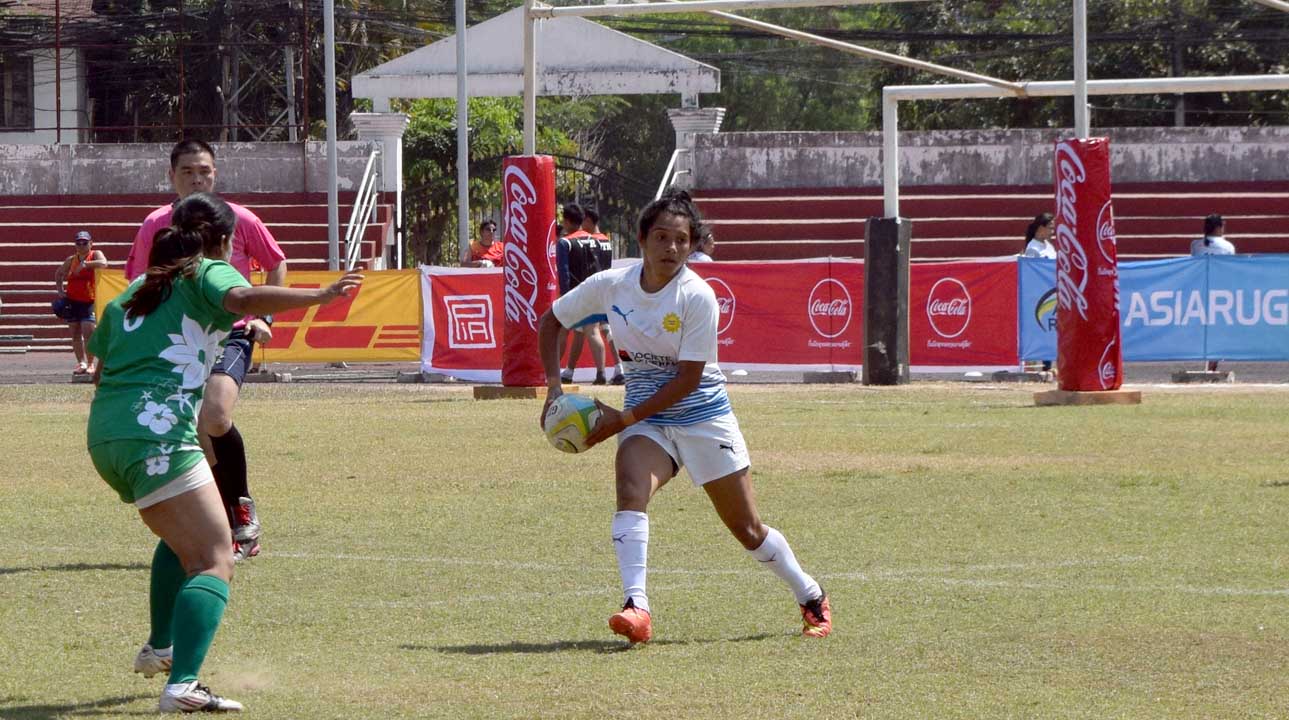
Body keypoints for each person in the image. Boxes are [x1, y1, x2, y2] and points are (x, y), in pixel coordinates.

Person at [87, 192, 362, 713]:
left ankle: (160, 648)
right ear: (225, 240)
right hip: (158, 432)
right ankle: (183, 684)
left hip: (109, 433)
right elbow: (240, 300)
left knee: (184, 536)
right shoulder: (207, 271)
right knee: (216, 558)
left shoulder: (137, 290)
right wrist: (319, 296)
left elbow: (101, 366)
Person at [537, 190, 832, 645]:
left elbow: (688, 380)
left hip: (702, 418)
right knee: (630, 488)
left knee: (748, 531)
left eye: (681, 240)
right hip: (648, 423)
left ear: (691, 245)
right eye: (661, 237)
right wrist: (555, 391)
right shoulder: (612, 285)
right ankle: (637, 607)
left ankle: (810, 594)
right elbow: (550, 321)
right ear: (641, 239)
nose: (671, 248)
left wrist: (622, 418)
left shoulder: (698, 296)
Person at [126, 139, 287, 562]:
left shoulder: (239, 218)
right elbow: (139, 282)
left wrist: (263, 318)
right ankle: (221, 522)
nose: (197, 179)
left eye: (205, 171)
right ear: (171, 176)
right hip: (180, 338)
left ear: (215, 173)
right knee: (196, 432)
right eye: (188, 172)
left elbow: (275, 261)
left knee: (215, 416)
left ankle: (242, 510)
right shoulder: (155, 224)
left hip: (230, 331)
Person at [555, 203, 608, 385]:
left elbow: (563, 271)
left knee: (561, 331)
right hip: (594, 291)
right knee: (593, 331)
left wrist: (564, 296)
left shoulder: (565, 242)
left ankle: (553, 371)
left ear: (568, 221)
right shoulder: (595, 240)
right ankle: (601, 373)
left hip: (575, 292)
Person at [54, 230, 108, 374]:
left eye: (85, 242)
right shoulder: (71, 260)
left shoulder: (95, 254)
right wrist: (60, 291)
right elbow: (59, 273)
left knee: (88, 333)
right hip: (72, 301)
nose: (82, 245)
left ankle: (91, 363)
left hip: (89, 300)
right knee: (75, 334)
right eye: (79, 243)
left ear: (91, 243)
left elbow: (104, 263)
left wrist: (85, 265)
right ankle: (81, 363)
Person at [1192, 214, 1236, 371]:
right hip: (1221, 291)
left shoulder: (1196, 245)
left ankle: (1210, 359)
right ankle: (1213, 360)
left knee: (1206, 324)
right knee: (1219, 325)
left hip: (1202, 290)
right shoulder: (1227, 247)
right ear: (1218, 228)